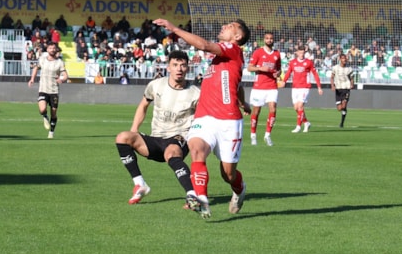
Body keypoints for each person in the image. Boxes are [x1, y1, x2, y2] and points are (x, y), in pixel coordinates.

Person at [152, 17, 251, 219]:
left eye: (230, 26)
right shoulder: (222, 59)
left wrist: (174, 28)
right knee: (197, 150)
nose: (224, 26)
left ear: (238, 36)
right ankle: (202, 200)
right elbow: (237, 84)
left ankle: (239, 190)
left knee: (228, 174)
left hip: (229, 121)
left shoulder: (232, 50)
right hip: (204, 117)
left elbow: (204, 45)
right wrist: (243, 101)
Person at [115, 50, 200, 205]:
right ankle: (140, 184)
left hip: (178, 138)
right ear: (168, 67)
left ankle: (192, 195)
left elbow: (203, 118)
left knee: (171, 152)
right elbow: (143, 105)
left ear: (188, 68)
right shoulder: (156, 85)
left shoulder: (195, 93)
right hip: (156, 139)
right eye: (175, 65)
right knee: (123, 137)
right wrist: (134, 130)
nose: (179, 69)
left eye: (183, 65)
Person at [247, 32, 282, 146]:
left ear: (273, 40)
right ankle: (253, 135)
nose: (269, 40)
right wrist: (261, 68)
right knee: (256, 111)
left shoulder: (277, 54)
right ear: (264, 40)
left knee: (273, 109)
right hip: (259, 87)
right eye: (267, 38)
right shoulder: (258, 52)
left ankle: (267, 135)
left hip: (272, 86)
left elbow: (279, 69)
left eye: (271, 38)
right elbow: (249, 67)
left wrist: (278, 73)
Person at [28, 41, 68, 139]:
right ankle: (45, 116)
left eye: (54, 48)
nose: (52, 50)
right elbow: (36, 68)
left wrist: (61, 79)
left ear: (56, 49)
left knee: (54, 113)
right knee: (42, 109)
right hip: (43, 89)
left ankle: (51, 132)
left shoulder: (60, 62)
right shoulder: (42, 59)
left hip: (54, 91)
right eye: (50, 48)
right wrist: (32, 79)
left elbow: (66, 75)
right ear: (47, 49)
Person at [282, 45, 323, 133]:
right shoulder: (292, 62)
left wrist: (319, 87)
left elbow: (315, 74)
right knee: (296, 108)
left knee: (300, 106)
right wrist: (284, 81)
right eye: (300, 52)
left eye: (303, 52)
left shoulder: (308, 62)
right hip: (295, 87)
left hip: (305, 87)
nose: (301, 54)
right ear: (297, 53)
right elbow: (289, 72)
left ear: (305, 52)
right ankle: (306, 122)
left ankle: (298, 126)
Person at [331, 54, 354, 128]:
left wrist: (352, 84)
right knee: (339, 108)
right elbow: (332, 77)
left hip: (346, 88)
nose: (345, 60)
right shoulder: (335, 68)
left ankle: (342, 123)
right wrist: (332, 85)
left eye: (345, 58)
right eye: (343, 58)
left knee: (344, 104)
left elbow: (352, 78)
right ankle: (344, 111)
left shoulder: (349, 69)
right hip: (338, 88)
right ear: (340, 59)